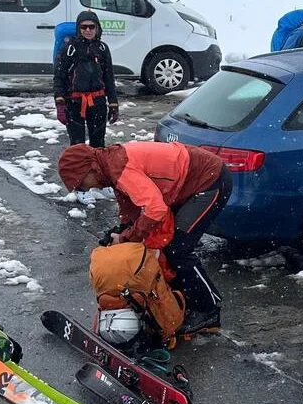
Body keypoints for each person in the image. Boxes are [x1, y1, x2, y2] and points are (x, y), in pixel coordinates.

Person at [56, 141, 232, 334]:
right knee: (164, 247)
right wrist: (124, 228)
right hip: (184, 184)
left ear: (89, 169)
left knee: (177, 249)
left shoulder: (118, 167)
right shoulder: (109, 166)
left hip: (208, 180)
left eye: (81, 184)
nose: (87, 190)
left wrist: (128, 237)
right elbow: (130, 206)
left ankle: (208, 310)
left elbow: (155, 210)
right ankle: (181, 302)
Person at [54, 10, 120, 149]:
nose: (88, 30)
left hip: (98, 102)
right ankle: (79, 170)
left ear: (97, 28)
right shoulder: (69, 48)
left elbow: (109, 78)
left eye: (92, 27)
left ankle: (96, 170)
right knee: (77, 146)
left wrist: (113, 104)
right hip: (74, 102)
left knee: (98, 145)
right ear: (79, 28)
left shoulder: (102, 48)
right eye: (84, 27)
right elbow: (59, 77)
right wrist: (60, 103)